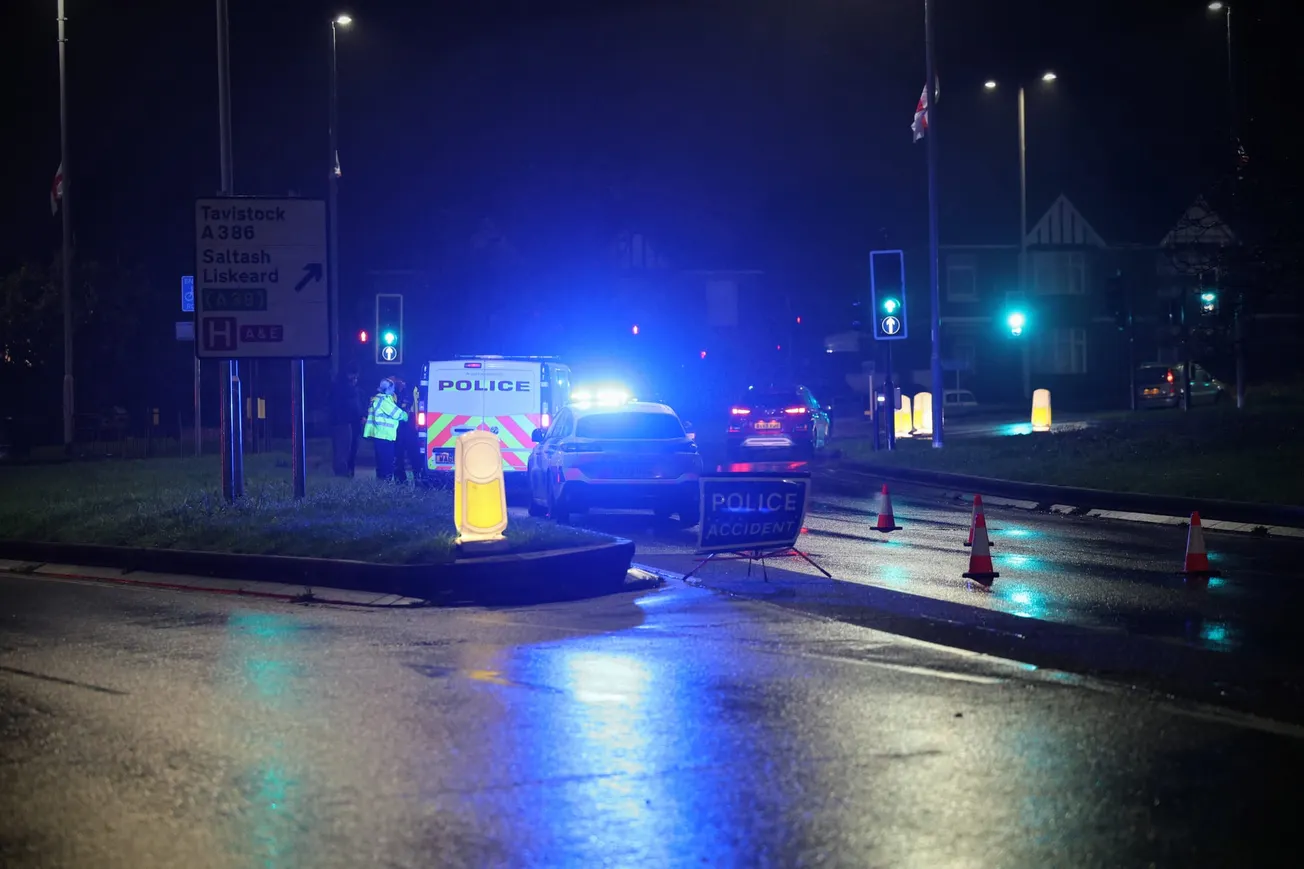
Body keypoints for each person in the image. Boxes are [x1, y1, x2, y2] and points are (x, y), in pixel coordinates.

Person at [362, 378, 407, 481]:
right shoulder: (383, 400)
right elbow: (396, 413)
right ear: (387, 389)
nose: (393, 391)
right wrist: (405, 415)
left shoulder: (378, 398)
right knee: (387, 462)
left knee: (382, 461)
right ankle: (385, 484)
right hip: (384, 435)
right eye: (392, 388)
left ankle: (382, 484)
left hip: (381, 434)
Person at [329, 367, 363, 477]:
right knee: (343, 449)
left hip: (353, 423)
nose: (355, 379)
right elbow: (347, 407)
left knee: (352, 448)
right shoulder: (342, 389)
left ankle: (348, 471)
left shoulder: (354, 390)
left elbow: (357, 406)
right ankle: (342, 473)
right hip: (343, 423)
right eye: (353, 377)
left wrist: (361, 416)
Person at [393, 380, 426, 485]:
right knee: (401, 456)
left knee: (412, 454)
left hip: (408, 428)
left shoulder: (407, 392)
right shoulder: (400, 391)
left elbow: (405, 408)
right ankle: (405, 479)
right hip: (404, 428)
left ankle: (415, 477)